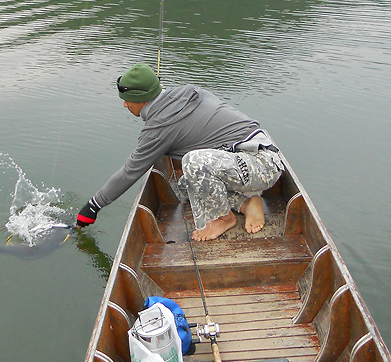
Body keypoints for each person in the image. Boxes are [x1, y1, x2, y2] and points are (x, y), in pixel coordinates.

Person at [76, 63, 285, 241]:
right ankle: (247, 203)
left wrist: (93, 206)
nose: (124, 104)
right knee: (186, 185)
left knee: (193, 162)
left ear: (142, 98)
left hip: (262, 164)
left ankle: (223, 218)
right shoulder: (188, 93)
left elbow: (130, 171)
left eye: (127, 99)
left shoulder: (160, 126)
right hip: (254, 156)